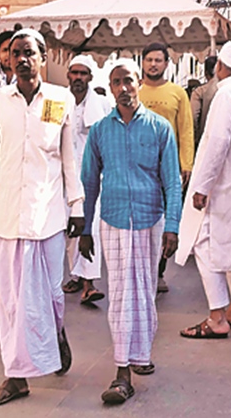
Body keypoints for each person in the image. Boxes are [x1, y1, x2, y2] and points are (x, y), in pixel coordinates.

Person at [0, 29, 84, 407]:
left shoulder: (60, 100)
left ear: (43, 56)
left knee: (51, 296)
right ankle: (16, 377)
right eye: (15, 53)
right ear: (7, 59)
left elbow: (69, 158)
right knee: (13, 301)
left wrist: (77, 206)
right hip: (8, 219)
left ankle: (56, 335)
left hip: (48, 217)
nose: (22, 59)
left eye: (29, 53)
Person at [80, 59, 183, 404]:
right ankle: (122, 371)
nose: (123, 88)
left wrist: (172, 225)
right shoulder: (99, 130)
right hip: (112, 219)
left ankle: (141, 354)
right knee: (122, 292)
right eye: (116, 83)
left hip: (149, 218)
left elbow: (171, 180)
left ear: (139, 83)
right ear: (109, 88)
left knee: (145, 289)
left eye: (128, 81)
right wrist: (85, 227)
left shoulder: (159, 127)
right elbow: (90, 182)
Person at [174, 42, 231, 339]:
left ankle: (217, 317)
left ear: (219, 67)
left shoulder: (225, 95)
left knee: (202, 243)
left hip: (222, 185)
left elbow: (216, 143)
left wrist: (202, 185)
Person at [138, 42, 194, 293]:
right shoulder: (134, 90)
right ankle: (140, 271)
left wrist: (186, 164)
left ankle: (158, 271)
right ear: (142, 62)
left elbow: (186, 130)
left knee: (163, 222)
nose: (153, 64)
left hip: (167, 169)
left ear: (166, 64)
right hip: (137, 168)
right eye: (149, 60)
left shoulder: (178, 93)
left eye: (158, 60)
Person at [62, 55, 114, 305]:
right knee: (67, 228)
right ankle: (76, 274)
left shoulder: (103, 104)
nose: (79, 78)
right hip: (61, 175)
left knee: (88, 226)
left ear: (91, 78)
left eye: (84, 74)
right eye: (75, 73)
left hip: (92, 175)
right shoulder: (57, 101)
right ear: (68, 76)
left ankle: (89, 283)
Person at [190, 55, 219, 147]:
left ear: (206, 73)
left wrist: (196, 138)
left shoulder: (199, 92)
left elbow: (193, 117)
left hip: (205, 141)